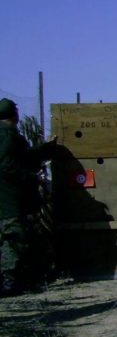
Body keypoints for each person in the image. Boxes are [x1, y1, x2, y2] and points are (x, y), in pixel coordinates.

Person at [0, 98, 57, 296]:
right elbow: (8, 166)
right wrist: (31, 178)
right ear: (14, 115)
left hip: (10, 200)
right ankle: (9, 284)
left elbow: (22, 158)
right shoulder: (7, 136)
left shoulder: (9, 136)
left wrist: (42, 151)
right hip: (9, 201)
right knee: (13, 239)